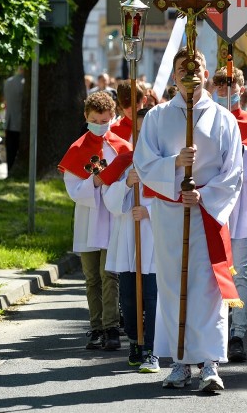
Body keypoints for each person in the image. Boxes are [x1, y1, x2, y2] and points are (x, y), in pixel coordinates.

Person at [133, 48, 243, 392]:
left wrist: (205, 196)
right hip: (170, 213)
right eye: (182, 69)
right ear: (174, 76)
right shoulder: (157, 117)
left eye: (195, 69)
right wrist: (175, 164)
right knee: (173, 285)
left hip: (207, 213)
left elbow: (234, 171)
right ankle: (180, 362)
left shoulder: (224, 119)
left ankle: (210, 363)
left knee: (208, 288)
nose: (188, 76)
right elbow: (144, 163)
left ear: (206, 74)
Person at [58, 91, 131, 353]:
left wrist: (113, 184)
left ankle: (111, 327)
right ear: (86, 117)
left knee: (109, 273)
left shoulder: (121, 148)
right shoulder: (77, 148)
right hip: (89, 217)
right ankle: (96, 326)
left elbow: (128, 181)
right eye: (95, 120)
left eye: (104, 120)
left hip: (112, 217)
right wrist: (96, 181)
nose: (100, 125)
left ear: (112, 117)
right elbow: (73, 189)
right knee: (91, 277)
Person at [212, 66, 247, 363]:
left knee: (241, 274)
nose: (225, 90)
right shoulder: (202, 121)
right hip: (210, 207)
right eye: (220, 85)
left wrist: (244, 156)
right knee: (211, 271)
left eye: (230, 85)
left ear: (241, 89)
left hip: (243, 209)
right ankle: (213, 333)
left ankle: (237, 333)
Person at [102, 106, 160, 374]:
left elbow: (176, 199)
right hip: (128, 237)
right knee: (129, 297)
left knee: (153, 296)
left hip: (156, 238)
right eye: (137, 129)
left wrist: (150, 211)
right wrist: (126, 184)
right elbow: (109, 201)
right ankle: (135, 342)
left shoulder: (164, 160)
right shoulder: (125, 160)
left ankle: (152, 347)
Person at [3, 67, 24, 174]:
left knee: (10, 150)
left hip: (9, 121)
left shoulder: (8, 82)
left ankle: (9, 171)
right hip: (20, 122)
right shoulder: (24, 83)